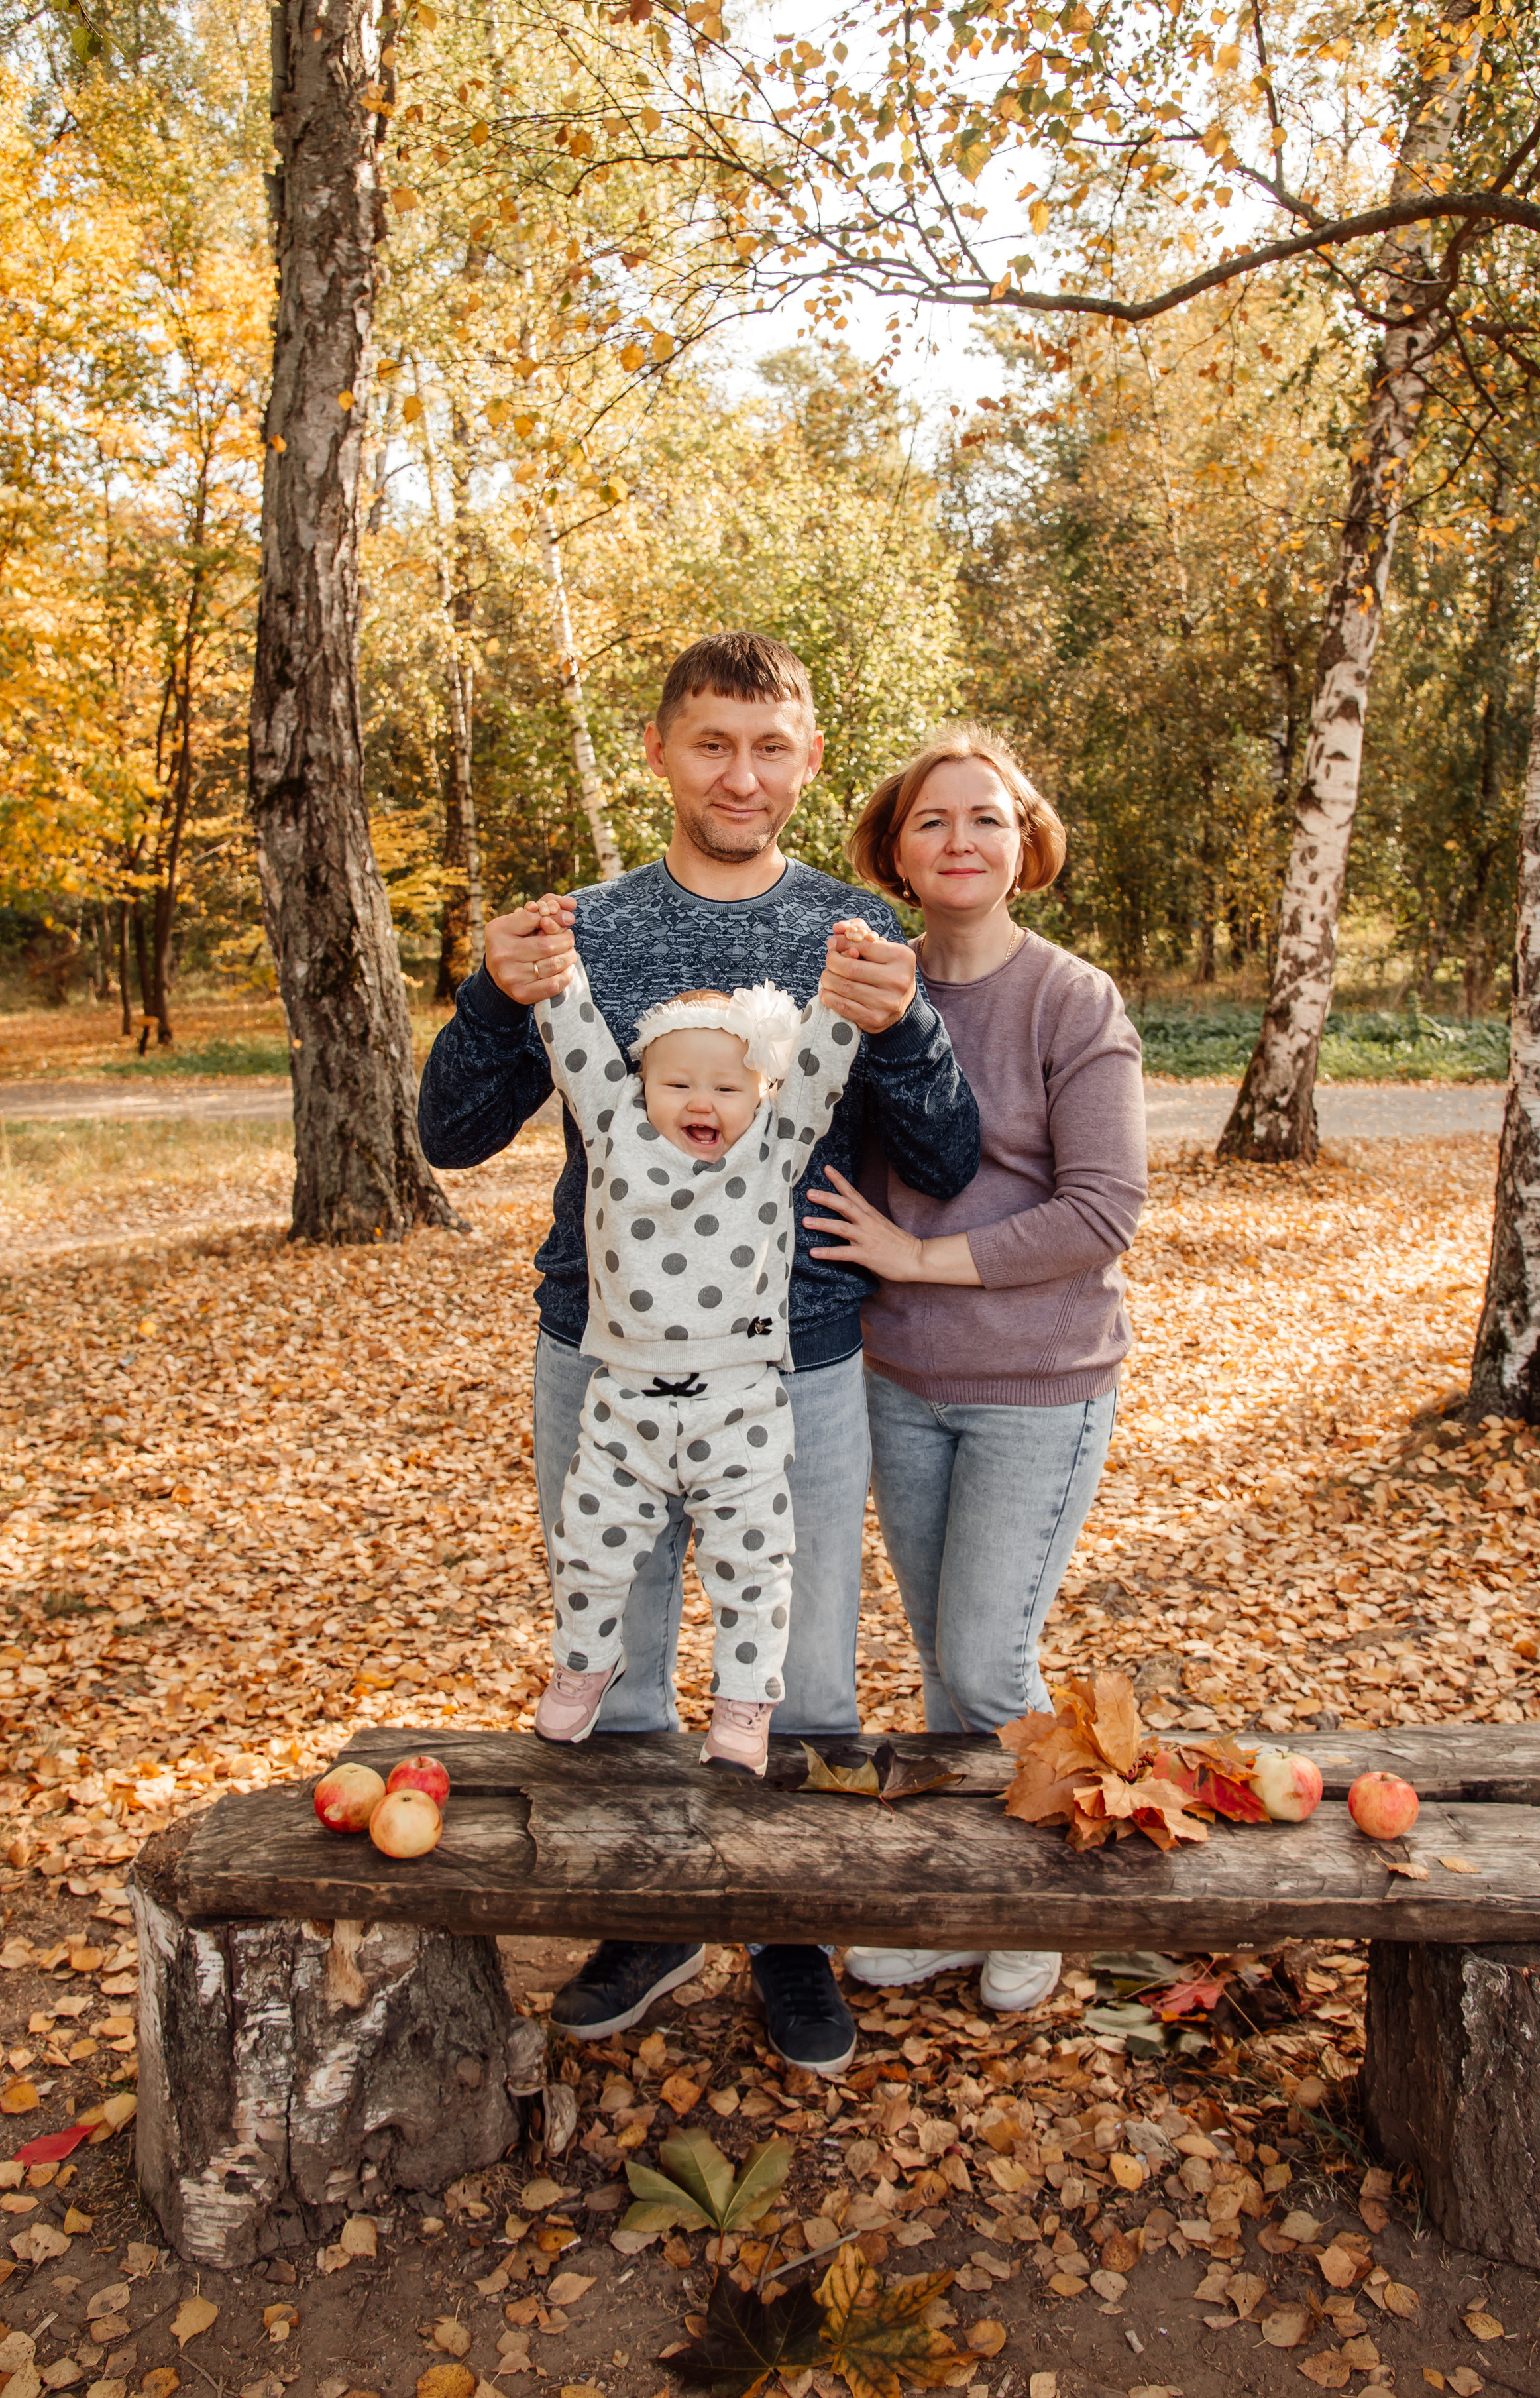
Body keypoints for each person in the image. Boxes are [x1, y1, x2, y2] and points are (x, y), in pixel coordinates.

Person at [417, 630, 980, 2073]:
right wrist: (489, 996)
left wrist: (905, 1027)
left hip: (794, 1365)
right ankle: (650, 1916)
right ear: (661, 750)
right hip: (595, 1355)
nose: (743, 774)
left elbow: (947, 1156)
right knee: (616, 1660)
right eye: (713, 743)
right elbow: (450, 1135)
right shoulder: (583, 928)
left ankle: (786, 1926)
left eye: (771, 746)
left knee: (797, 1670)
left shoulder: (855, 931)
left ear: (805, 757)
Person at [802, 725, 1146, 2016]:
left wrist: (915, 1254)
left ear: (1025, 846)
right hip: (897, 1382)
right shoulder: (870, 994)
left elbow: (1104, 1209)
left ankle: (1041, 1907)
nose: (960, 840)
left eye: (986, 819)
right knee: (945, 1673)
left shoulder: (1071, 999)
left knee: (991, 1661)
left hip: (1037, 1387)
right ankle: (960, 1905)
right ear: (895, 849)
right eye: (933, 821)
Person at [529, 937, 862, 1774]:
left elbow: (822, 1060)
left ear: (762, 1093)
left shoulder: (774, 1146)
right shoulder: (614, 1127)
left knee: (752, 1562)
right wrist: (552, 963)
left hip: (739, 1399)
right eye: (677, 1083)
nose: (700, 1101)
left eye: (725, 1086)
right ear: (642, 1085)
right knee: (588, 1549)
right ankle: (585, 1663)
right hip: (623, 1400)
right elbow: (573, 1037)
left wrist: (841, 988)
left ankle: (744, 1699)